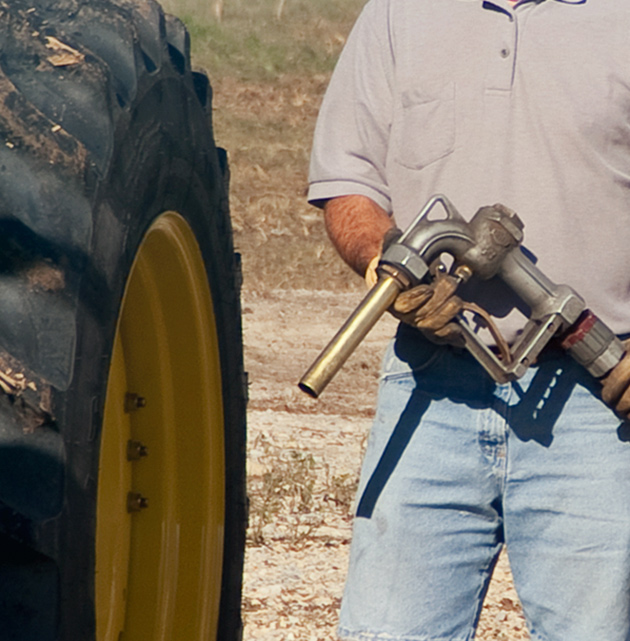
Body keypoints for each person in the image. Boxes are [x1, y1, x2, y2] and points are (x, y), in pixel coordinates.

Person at [307, 1, 630, 639]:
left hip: (595, 405)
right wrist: (385, 268)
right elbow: (350, 180)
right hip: (427, 392)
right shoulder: (400, 13)